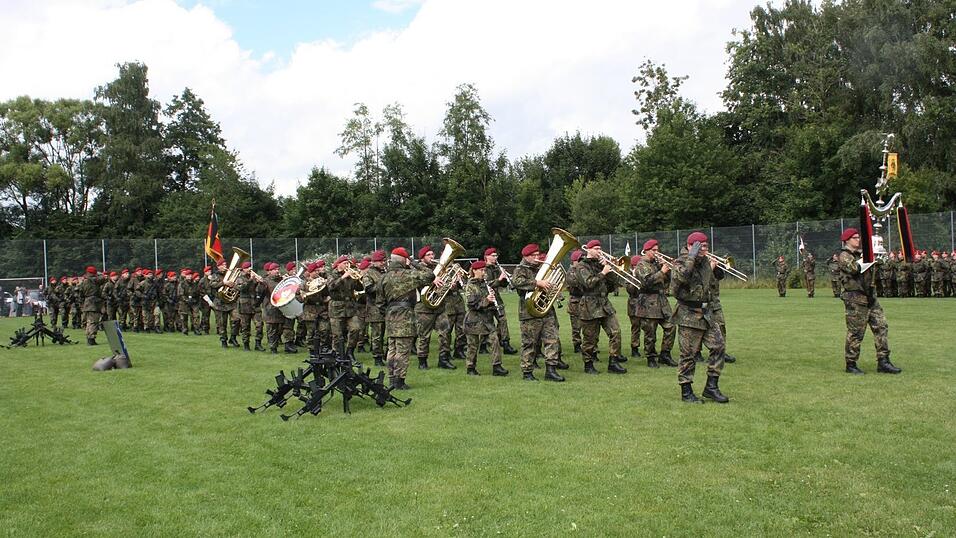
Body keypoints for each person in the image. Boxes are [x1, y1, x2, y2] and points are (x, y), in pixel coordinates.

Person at [671, 231, 729, 404]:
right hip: (688, 314)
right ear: (690, 246)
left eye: (706, 246)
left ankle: (711, 387)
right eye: (700, 246)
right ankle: (686, 391)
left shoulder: (704, 262)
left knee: (719, 346)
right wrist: (691, 257)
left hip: (706, 313)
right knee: (688, 355)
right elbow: (682, 277)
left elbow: (715, 279)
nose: (705, 249)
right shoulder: (680, 262)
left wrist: (716, 267)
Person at [837, 228, 901, 375]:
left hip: (870, 297)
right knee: (856, 332)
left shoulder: (862, 254)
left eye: (859, 237)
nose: (858, 240)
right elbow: (854, 269)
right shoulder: (844, 255)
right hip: (855, 299)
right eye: (855, 238)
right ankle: (851, 364)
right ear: (847, 240)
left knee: (881, 326)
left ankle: (883, 361)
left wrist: (877, 258)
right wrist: (868, 258)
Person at [381, 247, 436, 390]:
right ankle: (400, 381)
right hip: (405, 316)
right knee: (403, 351)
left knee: (391, 350)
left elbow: (380, 302)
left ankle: (392, 379)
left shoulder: (384, 277)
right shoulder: (409, 275)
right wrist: (413, 262)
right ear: (404, 260)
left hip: (390, 316)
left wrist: (389, 313)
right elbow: (430, 275)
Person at [570, 239, 627, 374]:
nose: (599, 251)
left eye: (600, 248)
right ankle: (588, 364)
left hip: (604, 303)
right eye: (596, 248)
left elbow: (615, 283)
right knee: (590, 338)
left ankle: (613, 362)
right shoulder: (581, 266)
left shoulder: (602, 265)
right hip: (589, 304)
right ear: (588, 250)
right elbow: (588, 283)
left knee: (615, 332)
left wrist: (610, 269)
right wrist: (603, 273)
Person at [510, 243, 566, 382]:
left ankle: (551, 369)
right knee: (529, 343)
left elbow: (551, 284)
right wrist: (537, 283)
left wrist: (553, 288)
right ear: (526, 257)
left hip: (546, 311)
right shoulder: (520, 269)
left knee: (552, 340)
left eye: (537, 255)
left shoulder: (542, 268)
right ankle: (527, 372)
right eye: (533, 256)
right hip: (529, 312)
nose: (537, 258)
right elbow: (516, 282)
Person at [633, 239, 678, 368]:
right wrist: (662, 271)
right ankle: (651, 357)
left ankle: (665, 354)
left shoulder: (657, 264)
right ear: (646, 251)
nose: (657, 253)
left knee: (671, 326)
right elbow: (647, 281)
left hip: (662, 300)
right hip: (648, 300)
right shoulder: (641, 264)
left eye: (657, 250)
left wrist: (668, 269)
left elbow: (668, 281)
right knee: (650, 332)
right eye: (654, 250)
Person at [463, 260, 509, 377]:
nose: (484, 272)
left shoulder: (485, 283)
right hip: (473, 320)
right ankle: (470, 367)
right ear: (474, 271)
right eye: (481, 270)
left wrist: (500, 281)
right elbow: (472, 304)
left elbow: (494, 283)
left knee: (495, 341)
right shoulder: (470, 286)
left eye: (484, 270)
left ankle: (497, 366)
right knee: (473, 345)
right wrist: (487, 300)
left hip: (486, 319)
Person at [414, 246, 455, 370]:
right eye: (428, 255)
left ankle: (443, 359)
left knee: (445, 331)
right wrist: (432, 280)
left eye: (432, 254)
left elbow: (441, 288)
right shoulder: (417, 270)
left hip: (439, 306)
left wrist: (449, 285)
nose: (432, 257)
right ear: (422, 258)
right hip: (423, 308)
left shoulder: (438, 269)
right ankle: (422, 361)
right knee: (424, 335)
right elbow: (416, 283)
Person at [482, 247, 518, 355]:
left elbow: (501, 285)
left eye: (496, 255)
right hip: (486, 298)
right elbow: (487, 284)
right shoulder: (483, 269)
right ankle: (483, 345)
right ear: (487, 256)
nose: (495, 257)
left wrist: (505, 279)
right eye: (492, 255)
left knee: (503, 320)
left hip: (497, 298)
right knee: (486, 322)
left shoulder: (497, 268)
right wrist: (499, 279)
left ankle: (505, 343)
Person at [328, 255, 364, 360]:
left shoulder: (350, 275)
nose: (347, 265)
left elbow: (360, 287)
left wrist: (358, 279)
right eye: (345, 263)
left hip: (350, 308)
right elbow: (331, 287)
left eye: (348, 263)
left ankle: (350, 351)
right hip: (336, 308)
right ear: (339, 264)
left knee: (356, 329)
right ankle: (338, 354)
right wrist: (343, 277)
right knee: (337, 334)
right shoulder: (332, 275)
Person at [362, 251, 388, 366]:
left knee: (387, 333)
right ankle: (377, 357)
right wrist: (383, 286)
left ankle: (386, 354)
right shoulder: (369, 273)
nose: (383, 263)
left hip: (386, 306)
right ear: (374, 262)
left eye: (384, 261)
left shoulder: (385, 272)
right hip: (374, 308)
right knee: (377, 334)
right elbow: (368, 289)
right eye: (381, 261)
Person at [260, 262, 285, 354]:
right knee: (271, 329)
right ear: (269, 271)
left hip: (281, 307)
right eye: (274, 270)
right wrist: (260, 284)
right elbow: (260, 292)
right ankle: (273, 348)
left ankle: (277, 343)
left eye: (278, 269)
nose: (277, 271)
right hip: (270, 308)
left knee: (280, 328)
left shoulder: (282, 280)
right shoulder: (265, 281)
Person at [77, 266, 106, 345]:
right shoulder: (94, 280)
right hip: (94, 303)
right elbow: (103, 278)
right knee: (94, 322)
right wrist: (99, 273)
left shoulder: (84, 281)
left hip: (87, 302)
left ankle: (88, 337)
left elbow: (80, 293)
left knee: (89, 322)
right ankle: (91, 339)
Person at [566, 250, 584, 354]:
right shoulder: (571, 272)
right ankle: (577, 344)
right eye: (580, 260)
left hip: (584, 300)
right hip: (575, 301)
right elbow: (577, 284)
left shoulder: (583, 270)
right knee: (576, 326)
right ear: (574, 261)